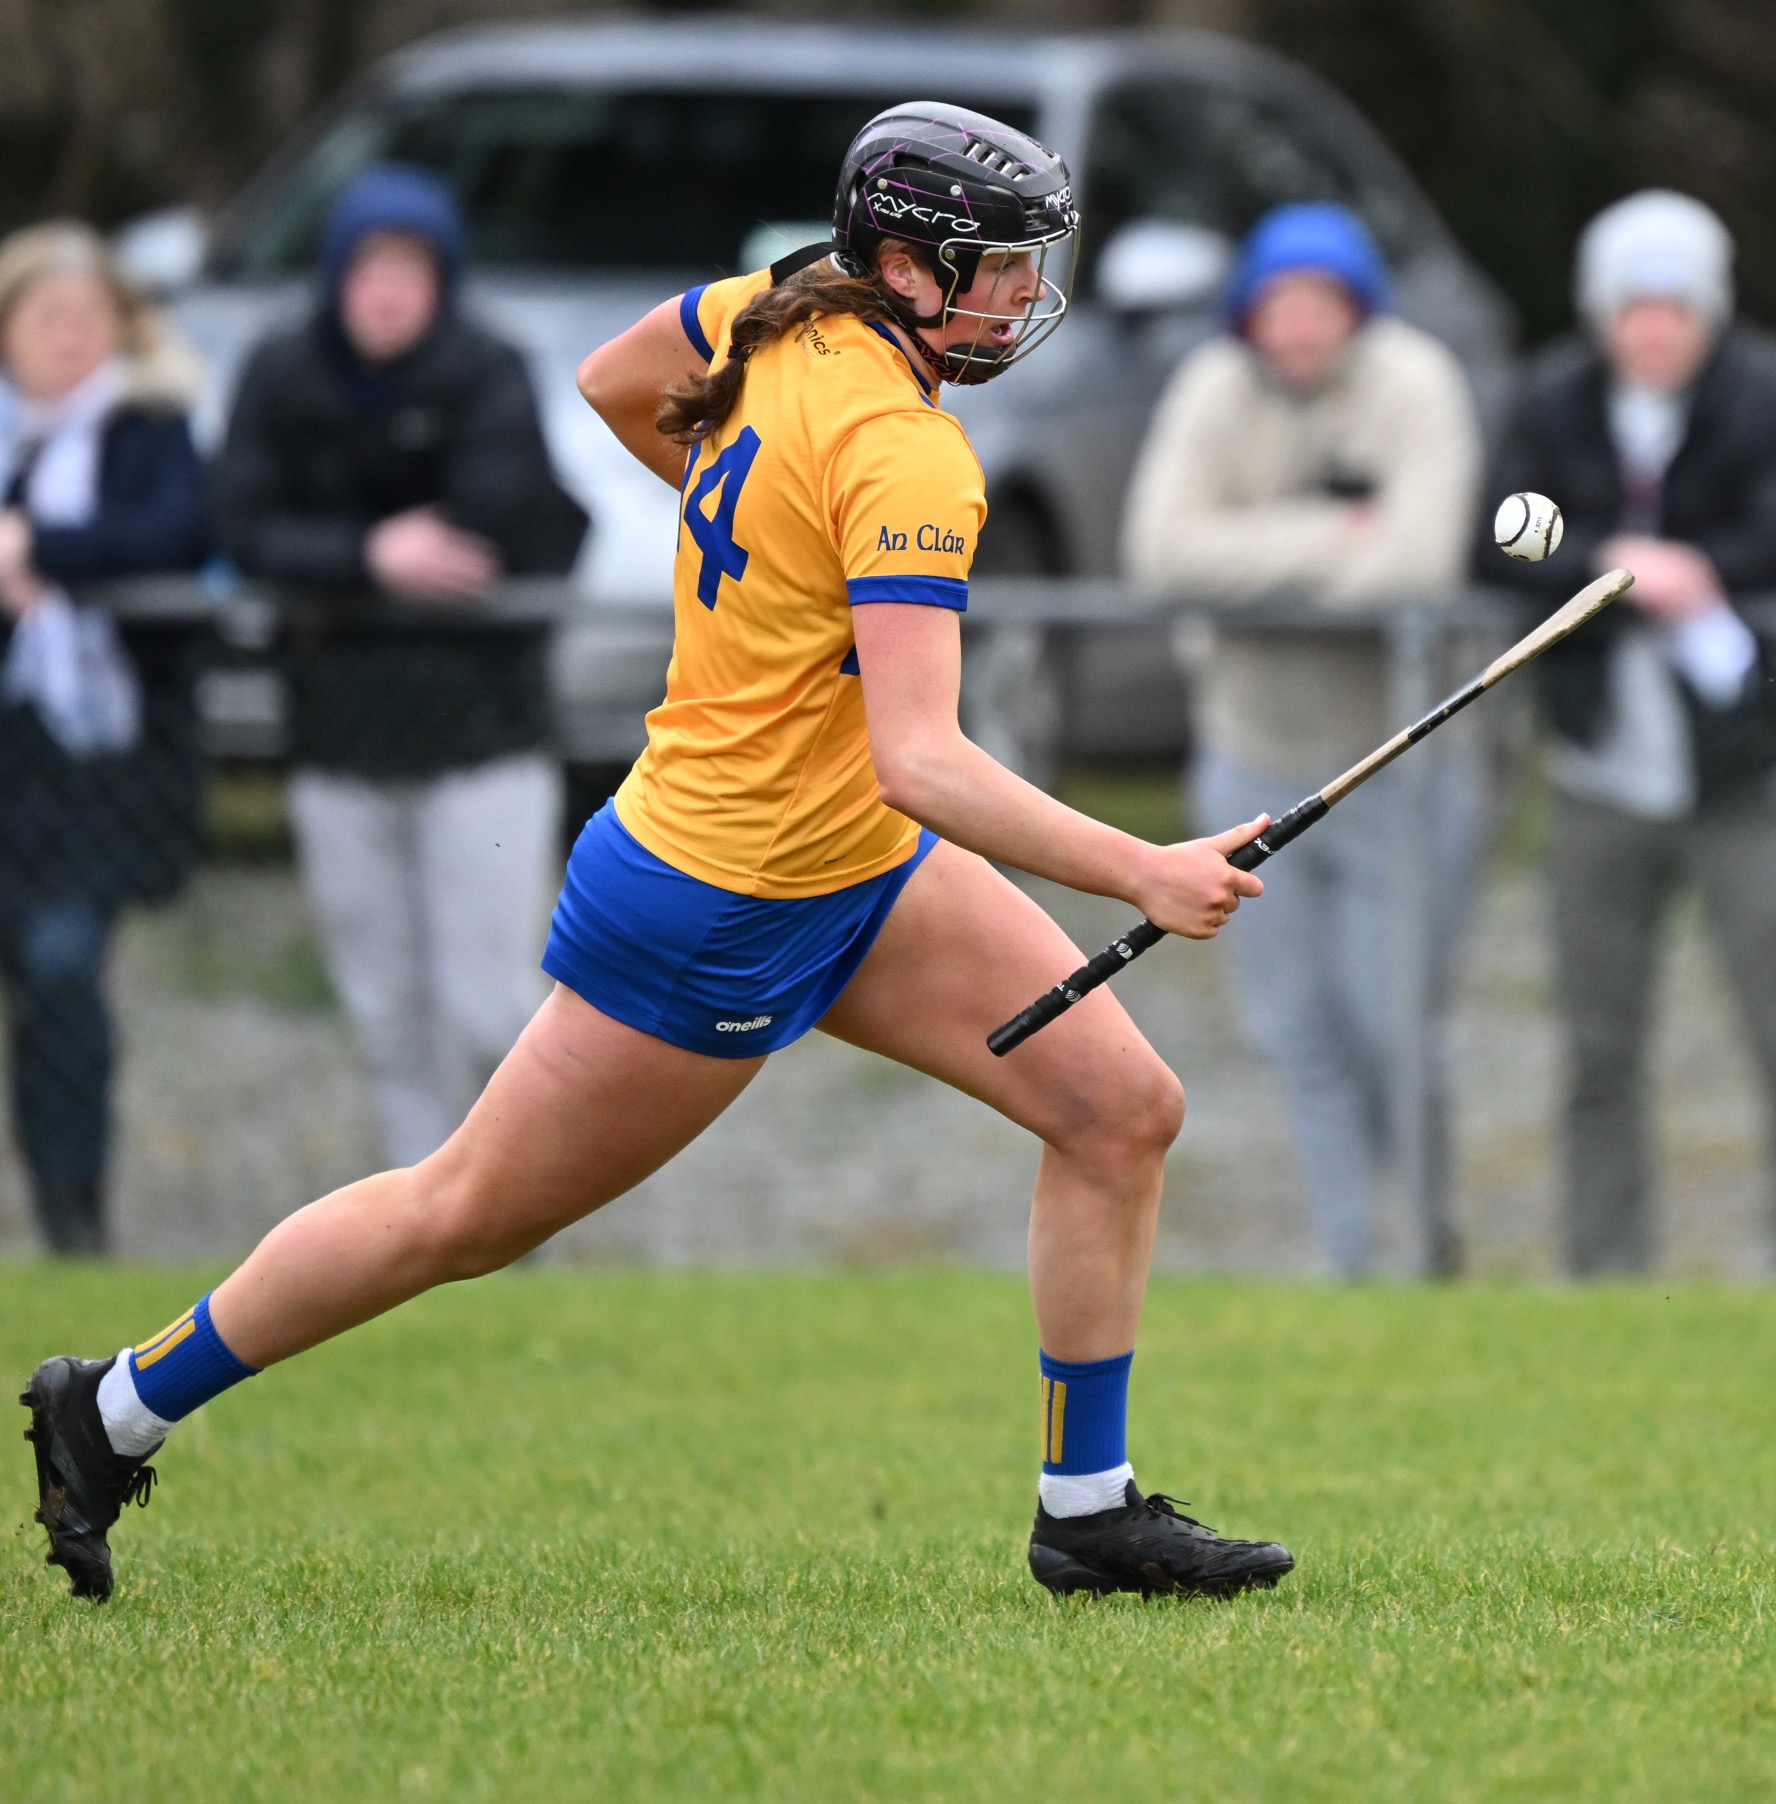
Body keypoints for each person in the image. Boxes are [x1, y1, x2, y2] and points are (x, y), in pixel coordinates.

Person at [21, 105, 1294, 1606]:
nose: (1025, 298)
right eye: (999, 271)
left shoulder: (771, 310)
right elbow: (927, 757)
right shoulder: (910, 457)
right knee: (462, 1214)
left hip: (854, 858)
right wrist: (1142, 870)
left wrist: (741, 523)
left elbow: (614, 380)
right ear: (900, 261)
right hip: (717, 899)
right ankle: (110, 1408)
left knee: (1118, 1109)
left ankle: (1086, 1513)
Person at [1121, 203, 1482, 1275]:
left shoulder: (1415, 384)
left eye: (1323, 303)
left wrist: (1248, 560)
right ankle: (1349, 1261)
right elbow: (1161, 553)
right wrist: (1332, 536)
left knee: (1392, 1028)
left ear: (1357, 311)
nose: (1300, 325)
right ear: (1249, 313)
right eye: (1280, 302)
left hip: (1392, 767)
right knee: (1296, 1032)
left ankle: (1429, 1251)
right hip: (1250, 756)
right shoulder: (1209, 390)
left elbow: (1415, 565)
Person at [212, 166, 589, 1168]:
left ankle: (518, 1203)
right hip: (336, 732)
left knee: (486, 1002)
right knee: (385, 1008)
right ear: (336, 276)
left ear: (442, 278)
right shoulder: (283, 371)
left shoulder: (489, 368)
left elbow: (492, 522)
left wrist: (338, 559)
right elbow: (240, 523)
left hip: (481, 734)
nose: (386, 292)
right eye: (367, 269)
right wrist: (368, 557)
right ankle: (415, 1217)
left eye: (409, 270)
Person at [1491, 191, 1776, 1276]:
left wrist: (1698, 571)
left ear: (1707, 310)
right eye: (1632, 304)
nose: (1653, 326)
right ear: (1600, 311)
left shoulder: (1767, 398)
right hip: (1599, 774)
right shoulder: (1553, 401)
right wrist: (1610, 574)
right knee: (1596, 1051)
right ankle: (1603, 1276)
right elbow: (1498, 537)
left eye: (1674, 304)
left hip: (1748, 778)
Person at [0, 222, 208, 1255]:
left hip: (97, 768)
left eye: (89, 320)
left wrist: (38, 546)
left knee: (61, 966)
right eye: (48, 319)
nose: (69, 339)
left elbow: (173, 536)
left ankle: (71, 1207)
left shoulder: (147, 427)